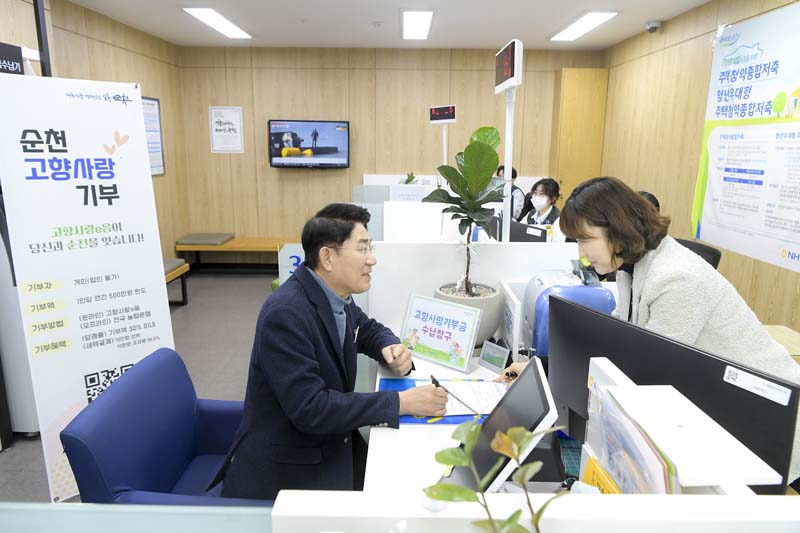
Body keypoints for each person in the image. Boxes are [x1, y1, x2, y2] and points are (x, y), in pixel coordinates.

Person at [499, 176, 800, 482]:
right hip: (728, 410)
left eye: (585, 240)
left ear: (616, 229)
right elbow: (621, 348)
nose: (581, 252)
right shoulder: (633, 265)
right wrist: (543, 368)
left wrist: (556, 377)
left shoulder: (676, 278)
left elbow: (646, 376)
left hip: (768, 419)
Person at [214, 203, 448, 500]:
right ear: (327, 257)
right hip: (291, 468)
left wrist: (388, 345)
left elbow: (364, 327)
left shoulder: (332, 294)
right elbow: (312, 409)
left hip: (330, 443)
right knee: (400, 496)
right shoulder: (285, 314)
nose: (372, 259)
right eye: (362, 249)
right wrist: (399, 402)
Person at [518, 178, 565, 242]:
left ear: (553, 198)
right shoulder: (531, 214)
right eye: (535, 193)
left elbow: (557, 246)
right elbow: (519, 230)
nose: (537, 197)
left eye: (541, 194)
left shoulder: (558, 219)